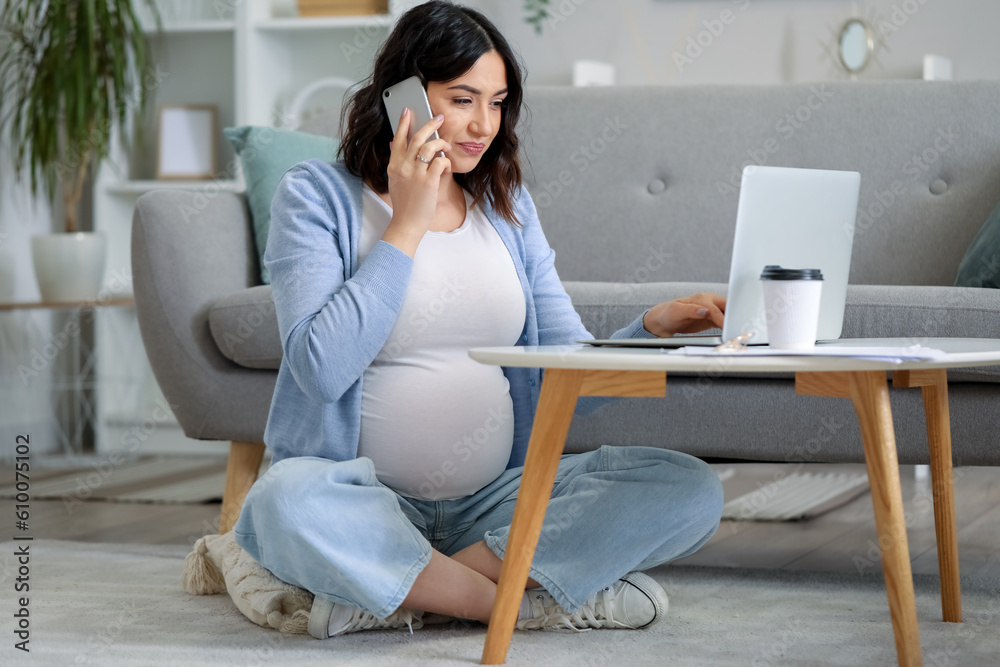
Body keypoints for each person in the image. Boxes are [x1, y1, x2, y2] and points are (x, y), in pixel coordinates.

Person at [233, 0, 726, 640]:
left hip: (491, 508)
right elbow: (320, 369)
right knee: (280, 502)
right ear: (401, 95)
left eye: (496, 104)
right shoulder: (317, 196)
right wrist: (407, 223)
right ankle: (516, 602)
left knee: (688, 487)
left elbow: (564, 376)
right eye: (463, 99)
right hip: (363, 500)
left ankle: (405, 591)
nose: (482, 125)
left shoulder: (506, 205)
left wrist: (649, 331)